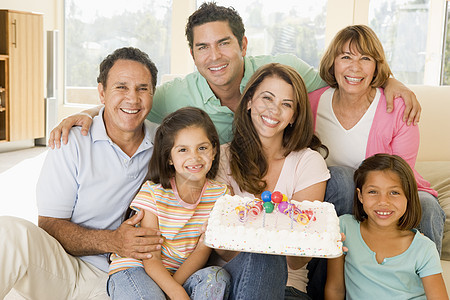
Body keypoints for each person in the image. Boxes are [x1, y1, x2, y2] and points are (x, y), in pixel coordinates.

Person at [48, 2, 421, 148]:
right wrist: (88, 113)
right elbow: (132, 101)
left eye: (224, 43)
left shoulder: (284, 70)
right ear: (192, 53)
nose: (215, 57)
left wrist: (389, 80)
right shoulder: (177, 94)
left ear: (243, 44)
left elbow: (346, 75)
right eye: (202, 47)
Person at [0, 47, 163, 299]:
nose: (133, 98)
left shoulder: (165, 144)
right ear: (102, 92)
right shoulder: (70, 141)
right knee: (8, 232)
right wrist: (113, 241)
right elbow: (49, 224)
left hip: (122, 276)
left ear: (153, 94)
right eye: (121, 87)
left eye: (143, 88)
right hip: (62, 267)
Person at [309, 24, 445, 254]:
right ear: (333, 63)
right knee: (341, 179)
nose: (355, 67)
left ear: (376, 67)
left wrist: (373, 199)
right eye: (345, 57)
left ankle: (424, 287)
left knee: (428, 206)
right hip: (334, 195)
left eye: (365, 58)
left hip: (389, 189)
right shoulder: (311, 103)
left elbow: (400, 174)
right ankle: (323, 285)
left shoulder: (398, 107)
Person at [215, 63, 330, 300]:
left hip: (287, 289)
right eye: (267, 98)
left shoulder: (308, 163)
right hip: (234, 285)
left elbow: (296, 260)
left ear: (294, 116)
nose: (274, 111)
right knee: (262, 254)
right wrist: (279, 233)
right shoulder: (221, 159)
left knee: (266, 254)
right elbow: (224, 250)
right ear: (248, 102)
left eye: (286, 104)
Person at [108, 107, 231, 300]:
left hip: (180, 275)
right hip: (137, 268)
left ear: (214, 151)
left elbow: (202, 250)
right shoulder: (154, 193)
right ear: (169, 158)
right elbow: (151, 258)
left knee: (217, 277)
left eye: (202, 148)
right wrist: (176, 293)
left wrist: (175, 289)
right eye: (183, 150)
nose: (195, 157)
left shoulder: (220, 196)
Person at [325, 154, 448, 299]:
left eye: (394, 192)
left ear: (408, 197)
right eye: (373, 192)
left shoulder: (423, 248)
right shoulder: (344, 228)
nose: (383, 201)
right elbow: (335, 289)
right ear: (360, 196)